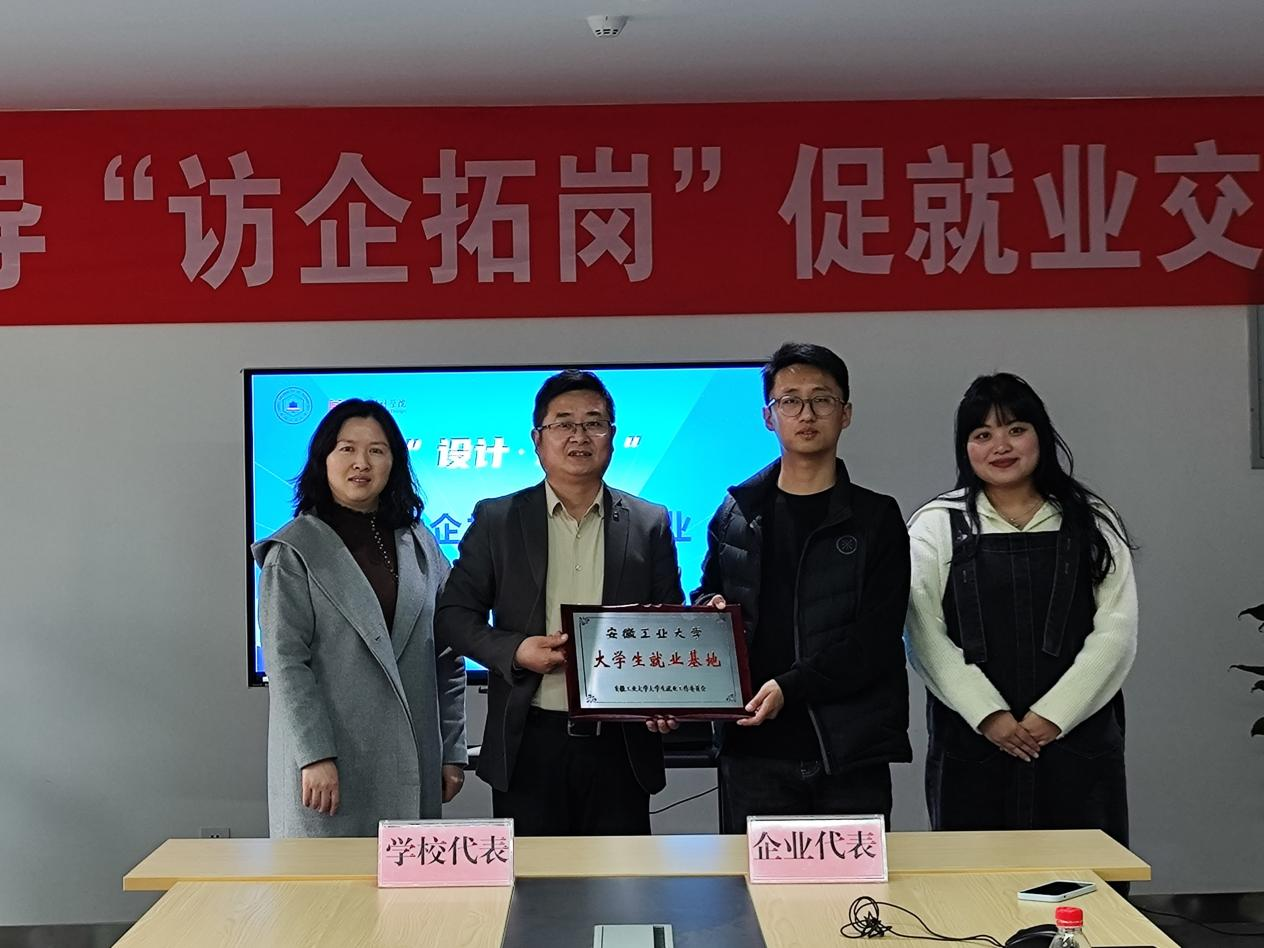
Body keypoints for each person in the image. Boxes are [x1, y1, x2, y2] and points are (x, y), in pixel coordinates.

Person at [435, 369, 684, 836]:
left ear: (612, 436)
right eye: (563, 423)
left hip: (621, 744)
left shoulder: (649, 522)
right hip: (529, 741)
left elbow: (668, 624)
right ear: (538, 439)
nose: (579, 436)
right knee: (534, 882)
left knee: (622, 879)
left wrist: (667, 698)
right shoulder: (498, 519)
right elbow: (453, 617)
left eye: (594, 423)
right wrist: (515, 651)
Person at [905, 373, 1136, 846]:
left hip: (1077, 739)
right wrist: (989, 716)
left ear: (1040, 435)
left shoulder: (1093, 520)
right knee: (976, 877)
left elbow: (1116, 630)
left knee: (1082, 877)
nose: (1001, 446)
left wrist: (1053, 716)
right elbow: (923, 633)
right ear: (965, 447)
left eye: (1015, 429)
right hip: (973, 740)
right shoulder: (935, 525)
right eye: (982, 434)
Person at [695, 342, 912, 833]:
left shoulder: (876, 517)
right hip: (752, 751)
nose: (806, 414)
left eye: (822, 400)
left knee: (855, 886)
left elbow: (875, 640)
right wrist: (710, 606)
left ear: (845, 414)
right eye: (790, 401)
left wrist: (788, 687)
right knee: (752, 884)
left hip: (847, 751)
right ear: (768, 417)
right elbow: (707, 593)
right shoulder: (735, 512)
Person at [252, 399, 467, 838]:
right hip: (330, 768)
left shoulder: (421, 544)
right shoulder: (293, 552)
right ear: (323, 459)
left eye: (376, 451)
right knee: (327, 882)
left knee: (406, 879)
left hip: (413, 761)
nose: (361, 463)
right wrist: (314, 755)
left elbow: (449, 653)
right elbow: (287, 664)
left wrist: (451, 750)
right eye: (347, 449)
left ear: (394, 462)